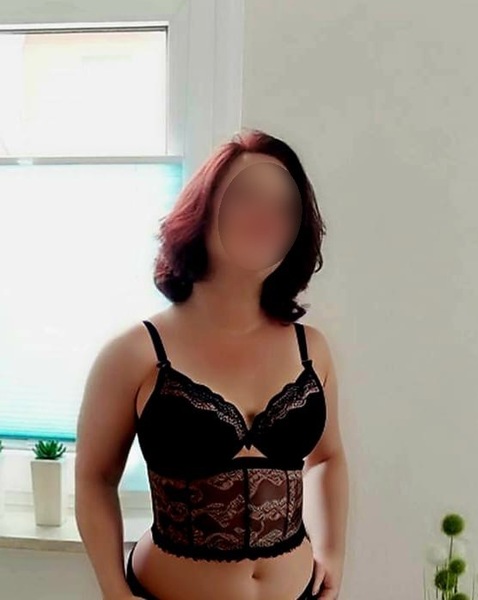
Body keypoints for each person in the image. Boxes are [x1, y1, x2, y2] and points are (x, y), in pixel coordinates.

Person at [75, 129, 349, 600]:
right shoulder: (135, 353)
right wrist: (114, 591)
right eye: (246, 197)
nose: (265, 217)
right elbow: (94, 478)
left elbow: (327, 458)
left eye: (285, 207)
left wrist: (333, 553)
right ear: (201, 211)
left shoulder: (311, 349)